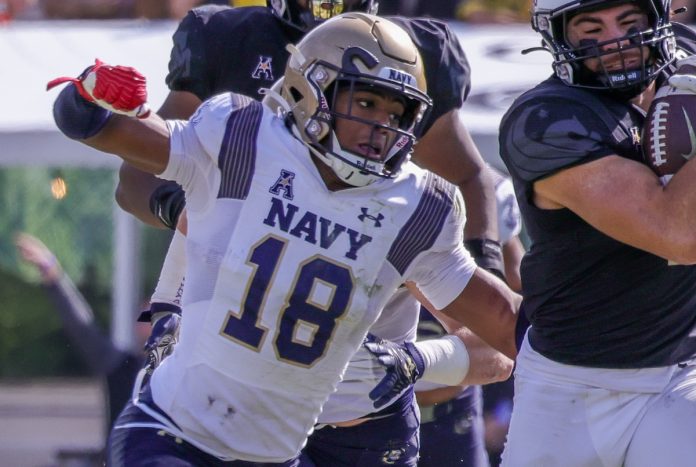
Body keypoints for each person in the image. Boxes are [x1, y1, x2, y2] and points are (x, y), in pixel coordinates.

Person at [48, 12, 519, 465]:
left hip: (283, 451)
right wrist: (90, 94)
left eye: (398, 113)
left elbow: (509, 331)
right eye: (367, 103)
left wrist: (414, 360)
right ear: (310, 89)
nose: (382, 128)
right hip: (174, 433)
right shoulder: (242, 137)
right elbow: (96, 128)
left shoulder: (413, 206)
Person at [115, 0, 505, 281]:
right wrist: (193, 213)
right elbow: (137, 176)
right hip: (229, 281)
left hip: (361, 274)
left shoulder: (415, 52)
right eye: (365, 101)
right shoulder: (225, 40)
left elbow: (467, 177)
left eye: (377, 103)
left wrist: (481, 270)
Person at [498, 1, 696, 465]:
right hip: (574, 385)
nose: (617, 41)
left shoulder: (684, 57)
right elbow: (678, 234)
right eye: (592, 29)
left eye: (630, 23)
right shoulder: (547, 120)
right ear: (559, 37)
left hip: (681, 371)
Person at [414, 165, 523, 467]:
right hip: (369, 416)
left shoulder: (489, 189)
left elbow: (516, 297)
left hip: (453, 411)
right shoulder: (392, 196)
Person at [14, 232, 145, 434]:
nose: (152, 324)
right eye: (146, 316)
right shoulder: (124, 369)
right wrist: (50, 270)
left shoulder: (185, 374)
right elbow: (83, 327)